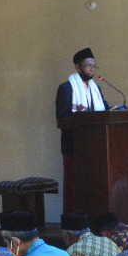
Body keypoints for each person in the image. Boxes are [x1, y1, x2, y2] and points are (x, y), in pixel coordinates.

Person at [54, 47, 108, 203]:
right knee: (74, 186)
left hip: (96, 146)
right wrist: (81, 117)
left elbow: (104, 111)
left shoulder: (96, 89)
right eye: (88, 66)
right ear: (78, 67)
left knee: (93, 187)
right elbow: (62, 118)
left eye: (94, 67)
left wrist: (116, 110)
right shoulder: (66, 88)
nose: (92, 70)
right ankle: (72, 216)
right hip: (74, 146)